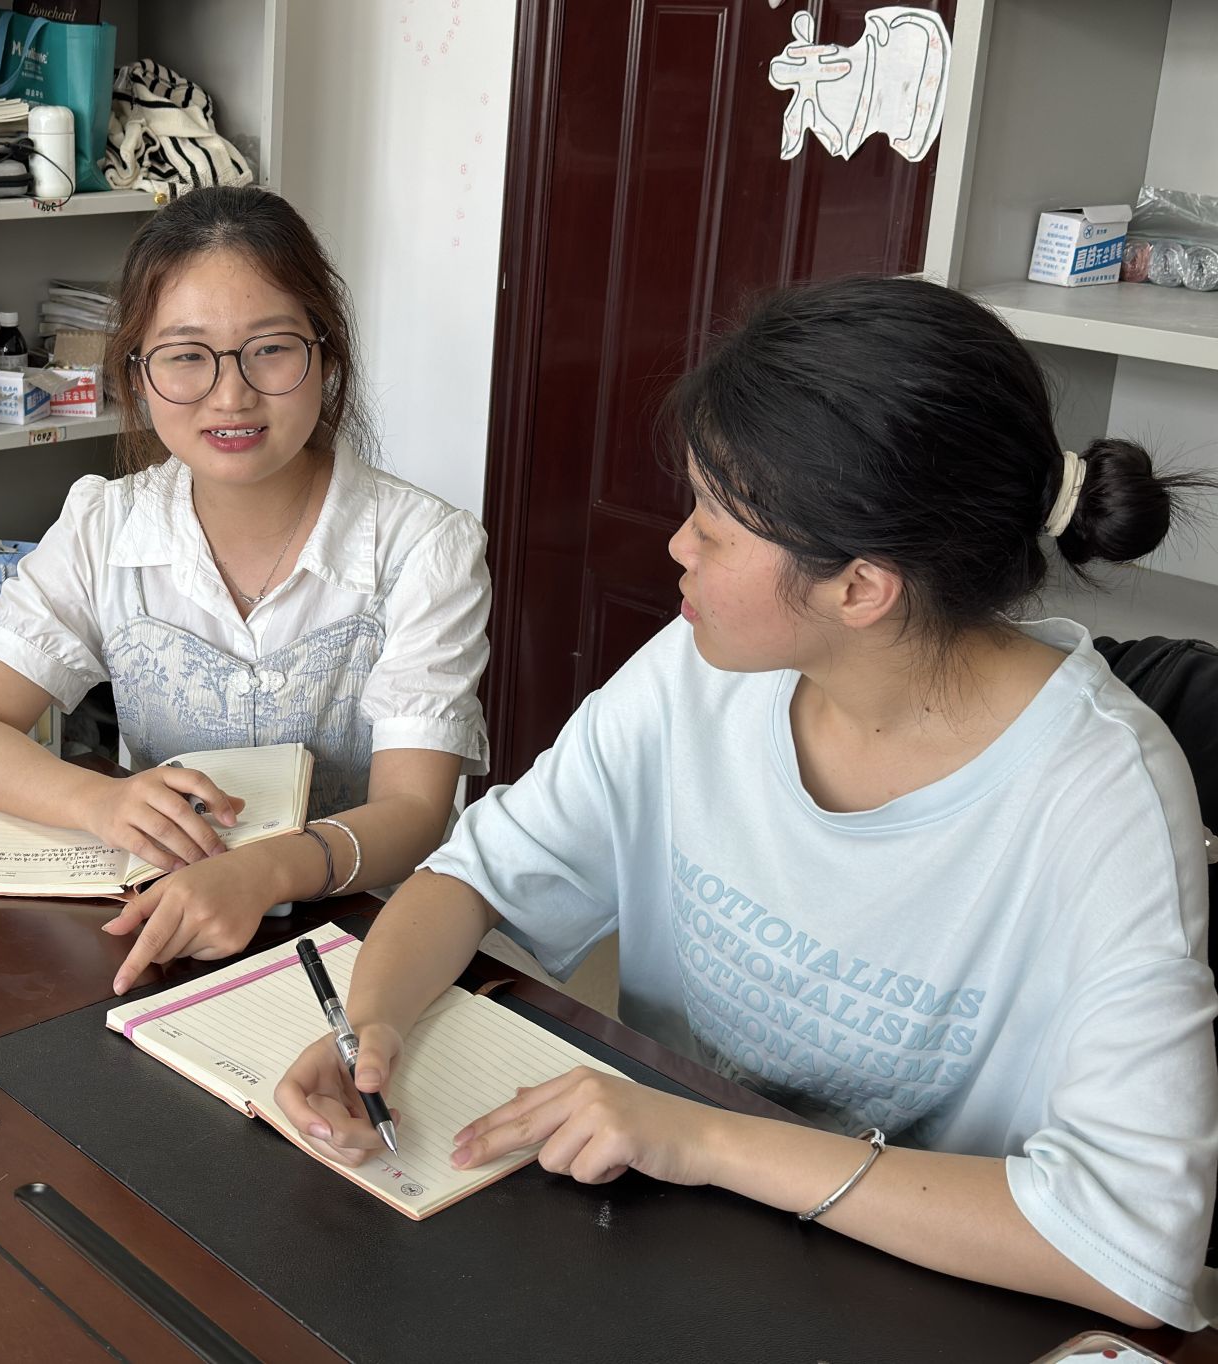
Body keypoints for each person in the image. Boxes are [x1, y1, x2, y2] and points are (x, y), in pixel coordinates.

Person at [275, 275, 1218, 1330]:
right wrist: (371, 1020)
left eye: (715, 526)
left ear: (858, 587)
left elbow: (1130, 1248)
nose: (677, 544)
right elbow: (473, 876)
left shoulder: (1101, 794)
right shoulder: (701, 669)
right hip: (655, 1255)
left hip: (905, 1304)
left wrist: (703, 1138)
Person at [0, 186, 490, 994]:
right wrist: (100, 803)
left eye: (271, 348)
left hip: (373, 943)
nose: (231, 395)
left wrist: (266, 872)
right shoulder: (104, 525)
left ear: (326, 356)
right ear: (137, 376)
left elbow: (415, 812)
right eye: (186, 355)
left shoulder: (425, 545)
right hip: (170, 927)